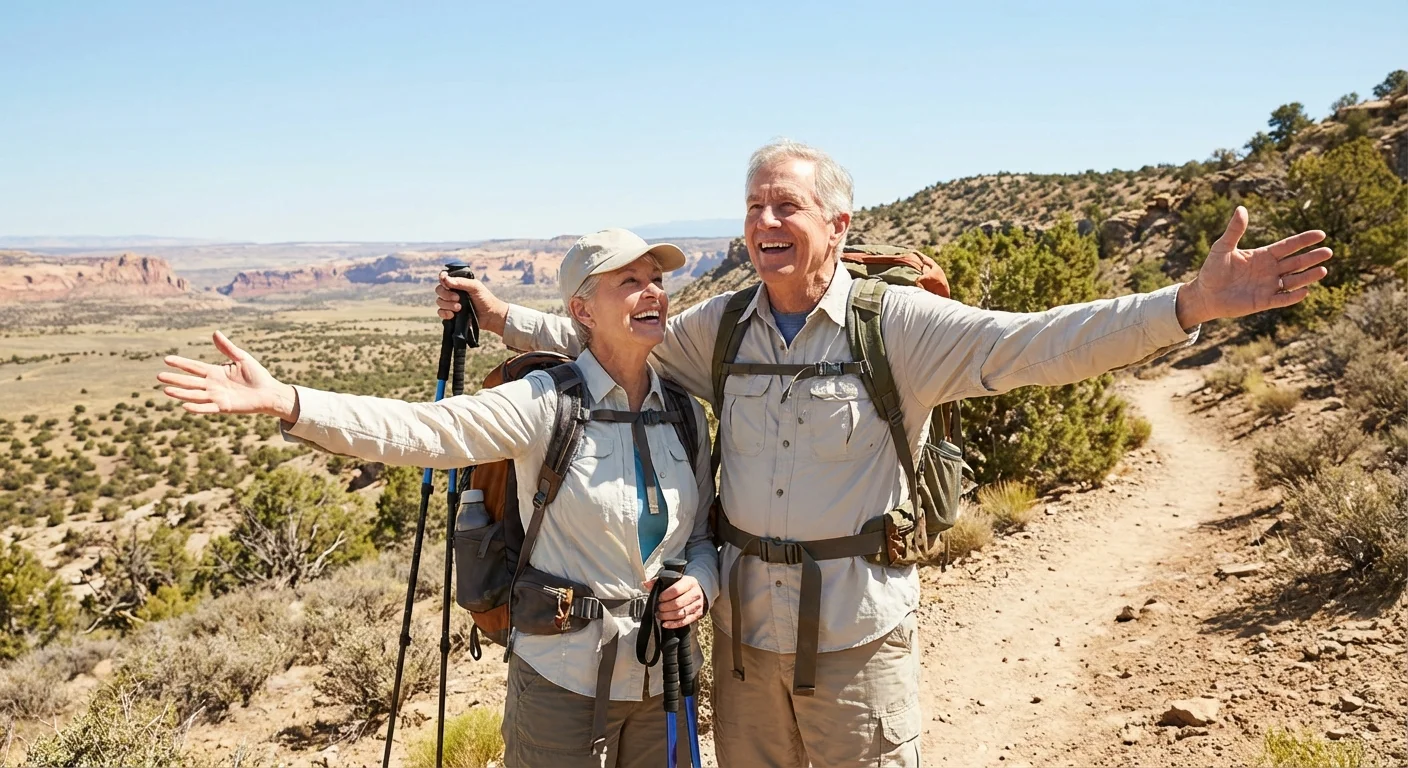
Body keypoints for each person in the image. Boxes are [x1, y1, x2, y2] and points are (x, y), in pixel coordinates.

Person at [436, 140, 1333, 766]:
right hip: (743, 643)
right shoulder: (723, 324)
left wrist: (1186, 303)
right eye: (753, 207)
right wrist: (496, 314)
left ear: (837, 220)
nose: (766, 221)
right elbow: (606, 339)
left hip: (858, 638)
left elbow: (1037, 342)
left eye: (787, 204)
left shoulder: (895, 326)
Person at [158, 229, 720, 768]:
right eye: (629, 281)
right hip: (563, 680)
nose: (653, 292)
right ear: (583, 311)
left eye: (657, 280)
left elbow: (699, 539)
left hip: (662, 677)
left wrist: (700, 583)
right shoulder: (545, 404)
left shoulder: (685, 415)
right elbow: (423, 430)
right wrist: (287, 401)